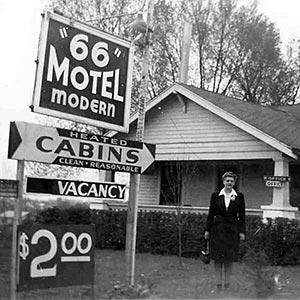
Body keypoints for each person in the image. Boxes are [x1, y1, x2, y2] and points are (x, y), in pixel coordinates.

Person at [204, 171, 246, 291]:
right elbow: (211, 214)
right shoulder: (216, 195)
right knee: (218, 259)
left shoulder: (239, 196)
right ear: (223, 182)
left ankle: (227, 285)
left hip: (232, 232)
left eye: (231, 181)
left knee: (228, 259)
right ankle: (218, 285)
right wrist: (207, 229)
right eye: (227, 181)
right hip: (218, 231)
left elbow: (242, 216)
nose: (229, 183)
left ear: (234, 183)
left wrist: (242, 232)